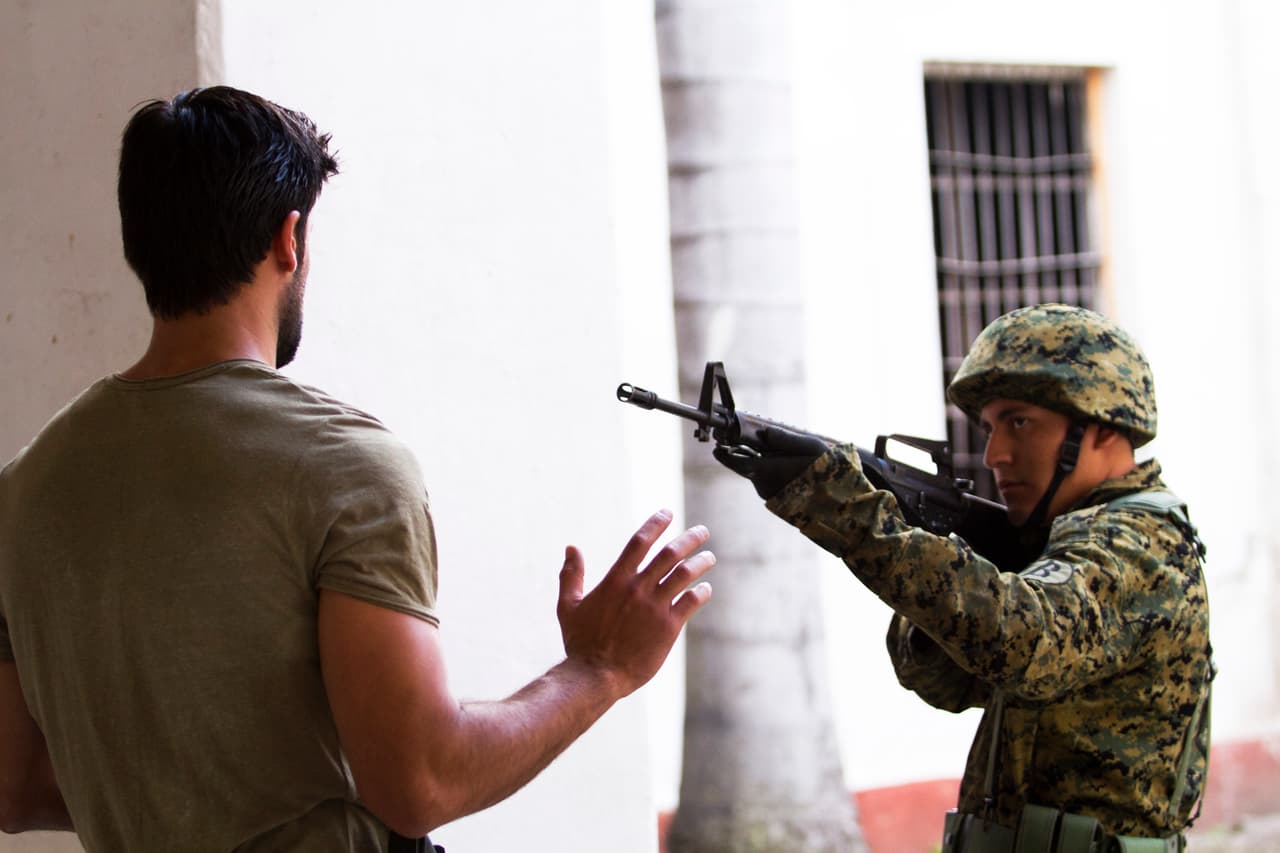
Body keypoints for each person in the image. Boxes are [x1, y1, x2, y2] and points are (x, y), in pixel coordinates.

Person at [0, 86, 715, 852]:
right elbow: (421, 781)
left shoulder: (25, 491)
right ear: (289, 240)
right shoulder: (344, 466)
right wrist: (600, 667)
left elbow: (16, 784)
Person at [715, 304, 1212, 851]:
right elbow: (946, 683)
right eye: (991, 429)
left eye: (1020, 423)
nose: (995, 454)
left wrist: (856, 516)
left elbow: (1023, 644)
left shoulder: (1138, 543)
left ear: (1100, 427)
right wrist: (931, 547)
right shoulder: (1057, 543)